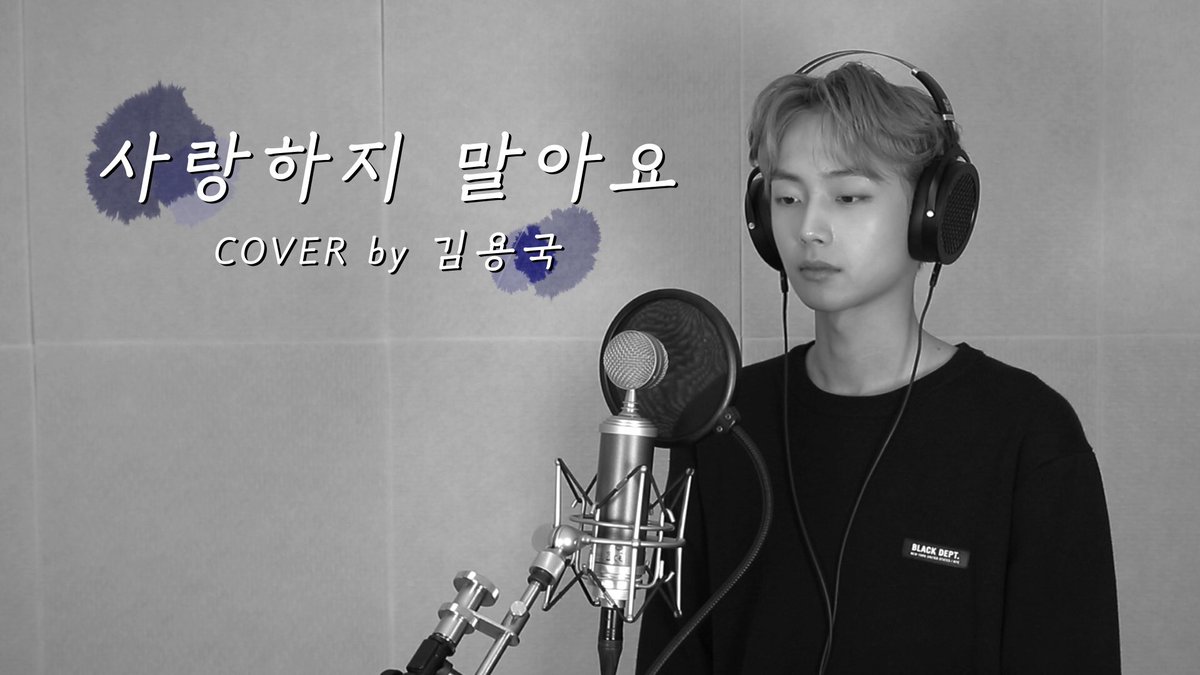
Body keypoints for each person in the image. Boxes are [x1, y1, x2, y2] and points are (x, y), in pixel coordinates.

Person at [635, 55, 1121, 674]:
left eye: (849, 196)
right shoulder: (720, 420)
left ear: (931, 215)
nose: (809, 229)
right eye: (787, 197)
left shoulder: (1027, 433)